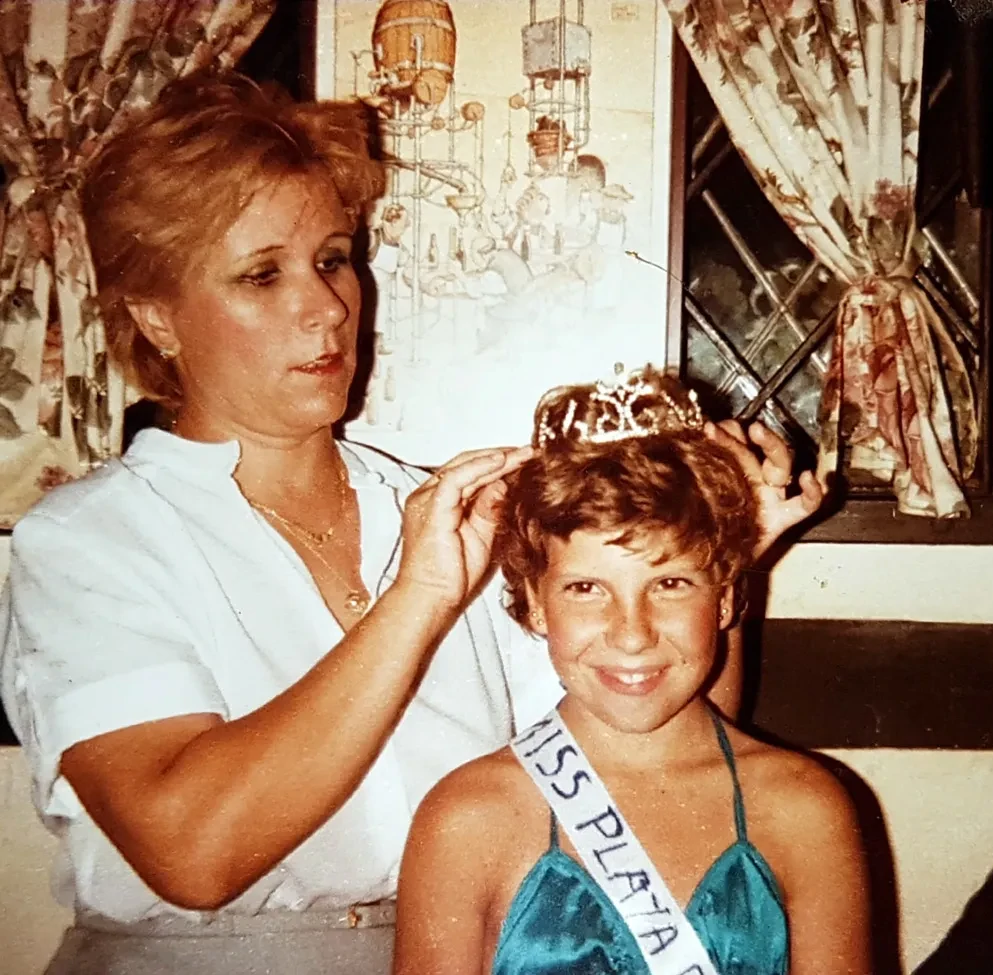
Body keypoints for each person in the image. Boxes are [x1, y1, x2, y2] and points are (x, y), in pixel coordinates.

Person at [0, 74, 825, 975]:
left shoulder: (451, 510)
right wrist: (419, 599)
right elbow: (193, 853)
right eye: (262, 274)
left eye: (333, 259)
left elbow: (641, 750)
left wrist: (722, 558)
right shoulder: (91, 541)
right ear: (156, 317)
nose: (327, 307)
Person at [393, 367, 871, 975]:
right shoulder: (465, 818)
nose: (632, 633)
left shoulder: (805, 807)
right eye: (586, 588)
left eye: (670, 584)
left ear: (725, 596)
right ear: (535, 603)